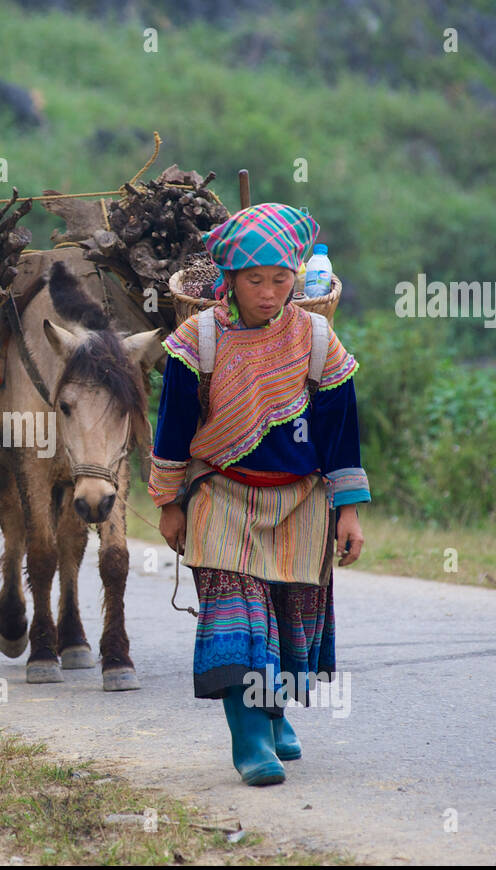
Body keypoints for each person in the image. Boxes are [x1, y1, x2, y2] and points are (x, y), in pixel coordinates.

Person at [148, 203, 369, 786]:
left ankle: (273, 715)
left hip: (299, 502)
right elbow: (171, 427)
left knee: (286, 618)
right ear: (228, 280)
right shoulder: (197, 340)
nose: (269, 293)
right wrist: (169, 503)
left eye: (281, 279)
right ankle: (250, 741)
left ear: (298, 277)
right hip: (220, 496)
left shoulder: (317, 338)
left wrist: (348, 512)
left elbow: (340, 432)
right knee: (236, 619)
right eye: (255, 280)